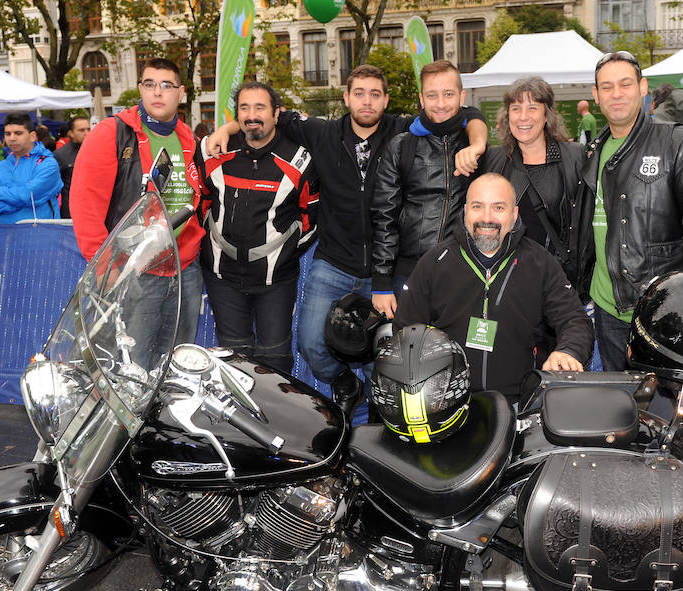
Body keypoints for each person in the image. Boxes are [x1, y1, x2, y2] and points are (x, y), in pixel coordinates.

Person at [206, 64, 487, 414]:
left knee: (383, 352)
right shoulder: (323, 132)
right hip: (333, 262)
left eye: (374, 94)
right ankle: (345, 384)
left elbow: (467, 113)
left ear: (386, 100)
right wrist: (225, 128)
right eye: (359, 93)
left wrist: (476, 144)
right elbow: (263, 116)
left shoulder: (405, 131)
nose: (366, 102)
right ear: (346, 97)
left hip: (388, 269)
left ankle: (375, 413)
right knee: (310, 343)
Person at [583, 51, 683, 371]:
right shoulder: (593, 150)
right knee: (620, 410)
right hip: (608, 310)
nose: (617, 93)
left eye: (625, 84)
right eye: (607, 87)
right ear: (595, 95)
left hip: (667, 313)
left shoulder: (679, 142)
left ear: (643, 87)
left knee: (670, 415)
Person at [394, 173, 594, 403]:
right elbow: (405, 330)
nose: (487, 218)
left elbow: (575, 320)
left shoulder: (541, 263)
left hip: (519, 404)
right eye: (478, 207)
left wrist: (568, 351)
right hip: (447, 403)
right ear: (465, 210)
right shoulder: (434, 261)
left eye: (498, 208)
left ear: (514, 214)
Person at [70, 57, 206, 348]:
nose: (157, 92)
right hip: (133, 271)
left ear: (180, 93)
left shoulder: (188, 138)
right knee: (132, 367)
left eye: (166, 85)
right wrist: (106, 266)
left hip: (185, 271)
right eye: (149, 84)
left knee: (176, 363)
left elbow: (198, 199)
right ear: (140, 89)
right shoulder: (113, 133)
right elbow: (85, 205)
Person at [195, 82, 318, 373]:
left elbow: (310, 219)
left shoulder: (300, 160)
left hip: (275, 281)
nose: (252, 115)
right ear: (236, 115)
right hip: (221, 277)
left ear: (276, 113)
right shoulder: (213, 151)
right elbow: (201, 201)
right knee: (233, 359)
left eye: (260, 107)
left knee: (274, 359)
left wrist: (282, 253)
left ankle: (277, 419)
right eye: (245, 108)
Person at [371, 59, 489, 319]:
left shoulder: (477, 147)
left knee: (461, 355)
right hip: (410, 272)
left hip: (466, 271)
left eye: (448, 94)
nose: (441, 103)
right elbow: (384, 217)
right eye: (432, 95)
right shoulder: (402, 146)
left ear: (462, 96)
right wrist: (381, 281)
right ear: (422, 99)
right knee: (407, 354)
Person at [483, 76, 592, 297]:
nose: (523, 117)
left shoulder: (574, 158)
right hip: (506, 283)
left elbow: (586, 226)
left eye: (532, 108)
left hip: (556, 282)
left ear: (546, 115)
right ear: (507, 115)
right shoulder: (493, 159)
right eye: (516, 108)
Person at [0, 112, 63, 224]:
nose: (12, 138)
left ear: (32, 136)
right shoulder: (1, 166)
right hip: (5, 236)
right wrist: (18, 204)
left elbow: (27, 195)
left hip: (40, 235)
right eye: (8, 134)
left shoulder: (48, 164)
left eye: (18, 133)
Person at [54, 116, 91, 219]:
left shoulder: (98, 151)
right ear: (71, 133)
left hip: (94, 207)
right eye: (81, 130)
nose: (86, 133)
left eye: (88, 129)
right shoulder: (60, 155)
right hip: (71, 211)